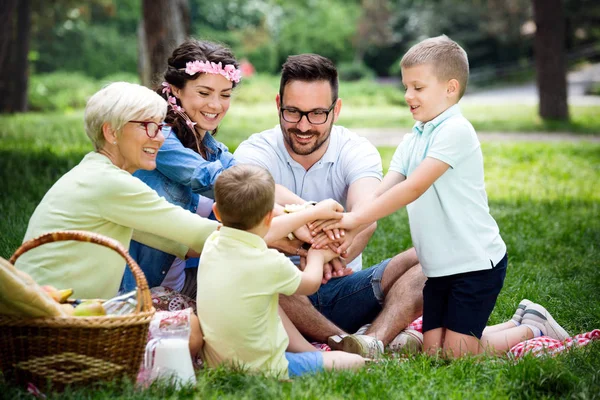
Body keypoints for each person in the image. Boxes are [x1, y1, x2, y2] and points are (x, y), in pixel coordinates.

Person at [314, 36, 570, 357]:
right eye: (406, 87)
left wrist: (353, 219)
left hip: (475, 264)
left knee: (457, 353)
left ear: (450, 89)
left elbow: (413, 187)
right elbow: (386, 188)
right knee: (435, 352)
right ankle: (519, 319)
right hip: (438, 268)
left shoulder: (455, 131)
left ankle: (534, 327)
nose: (408, 95)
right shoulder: (414, 138)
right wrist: (348, 224)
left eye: (418, 88)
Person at [234, 53, 426, 358]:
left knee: (430, 256)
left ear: (336, 109)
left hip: (346, 285)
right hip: (281, 292)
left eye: (317, 114)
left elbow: (366, 215)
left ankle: (373, 339)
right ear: (277, 105)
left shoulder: (356, 149)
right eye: (293, 112)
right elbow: (255, 206)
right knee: (247, 267)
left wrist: (321, 250)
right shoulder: (254, 151)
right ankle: (345, 341)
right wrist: (322, 233)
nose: (304, 125)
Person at [197, 164, 365, 378]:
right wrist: (317, 254)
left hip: (218, 363)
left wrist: (311, 213)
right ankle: (312, 355)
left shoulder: (213, 242)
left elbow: (265, 233)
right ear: (269, 217)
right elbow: (310, 283)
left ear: (217, 213)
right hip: (266, 369)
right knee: (354, 362)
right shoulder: (270, 263)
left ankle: (308, 351)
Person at [121, 39, 240, 296]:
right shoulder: (156, 138)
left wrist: (307, 211)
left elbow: (251, 179)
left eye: (225, 94)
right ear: (175, 90)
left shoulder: (208, 146)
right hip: (141, 291)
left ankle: (332, 336)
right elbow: (211, 180)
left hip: (185, 282)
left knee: (263, 276)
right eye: (204, 93)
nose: (216, 105)